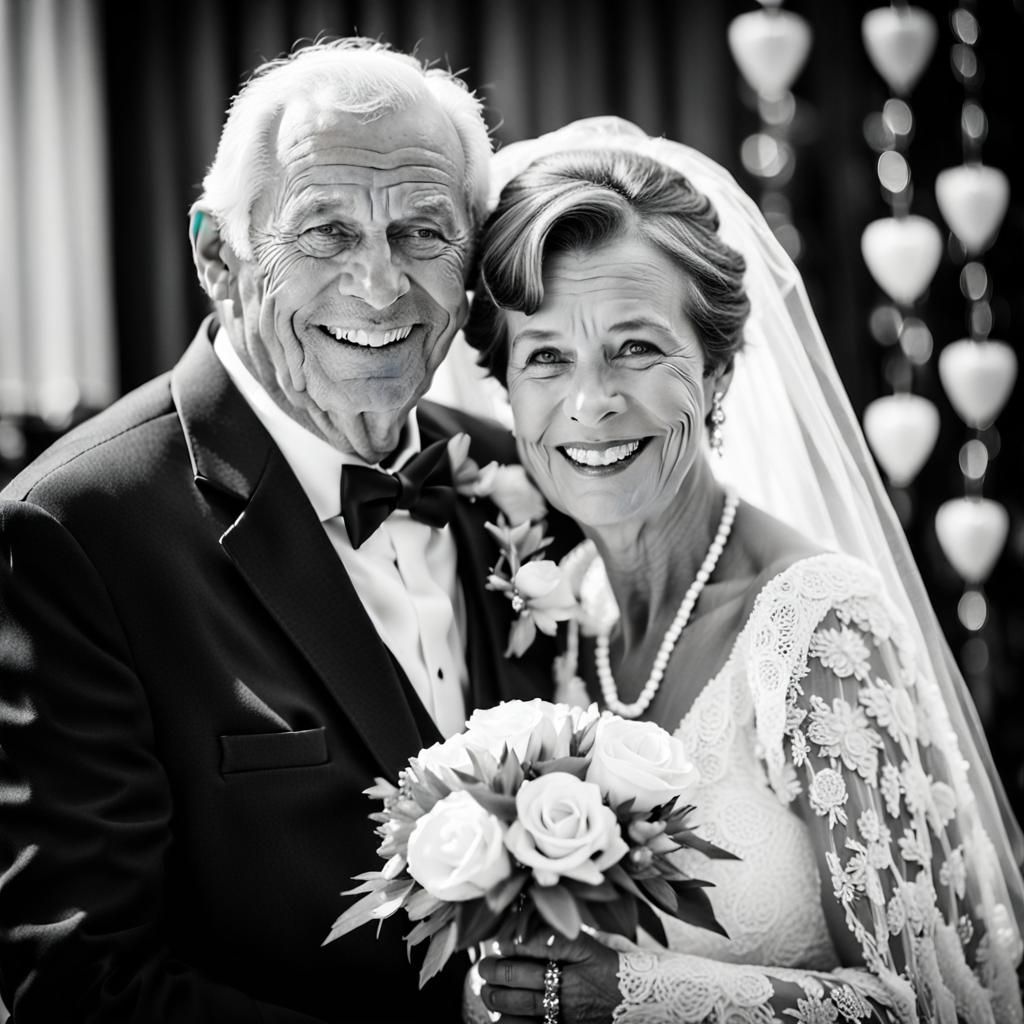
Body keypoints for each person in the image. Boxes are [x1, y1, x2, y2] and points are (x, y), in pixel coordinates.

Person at [0, 39, 576, 1023]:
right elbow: (79, 985)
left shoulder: (523, 477)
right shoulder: (74, 534)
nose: (382, 285)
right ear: (219, 258)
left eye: (423, 232)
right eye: (324, 234)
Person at [460, 118, 1024, 1023]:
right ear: (506, 388)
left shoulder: (817, 625)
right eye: (546, 358)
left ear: (718, 370)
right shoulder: (560, 621)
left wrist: (638, 998)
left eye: (637, 347)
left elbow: (938, 1008)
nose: (590, 401)